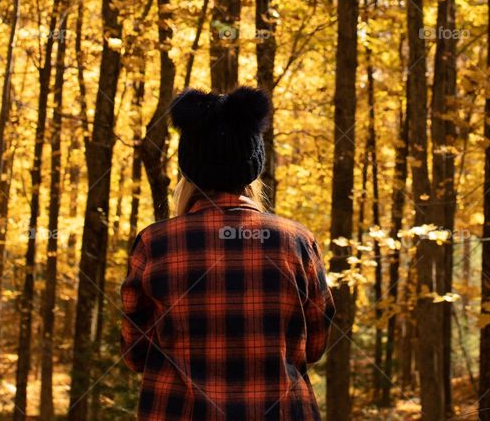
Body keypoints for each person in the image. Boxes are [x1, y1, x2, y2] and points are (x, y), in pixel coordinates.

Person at [120, 86, 336, 420]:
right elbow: (315, 346)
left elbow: (136, 353)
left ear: (188, 170)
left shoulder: (155, 244)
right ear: (253, 167)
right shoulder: (297, 242)